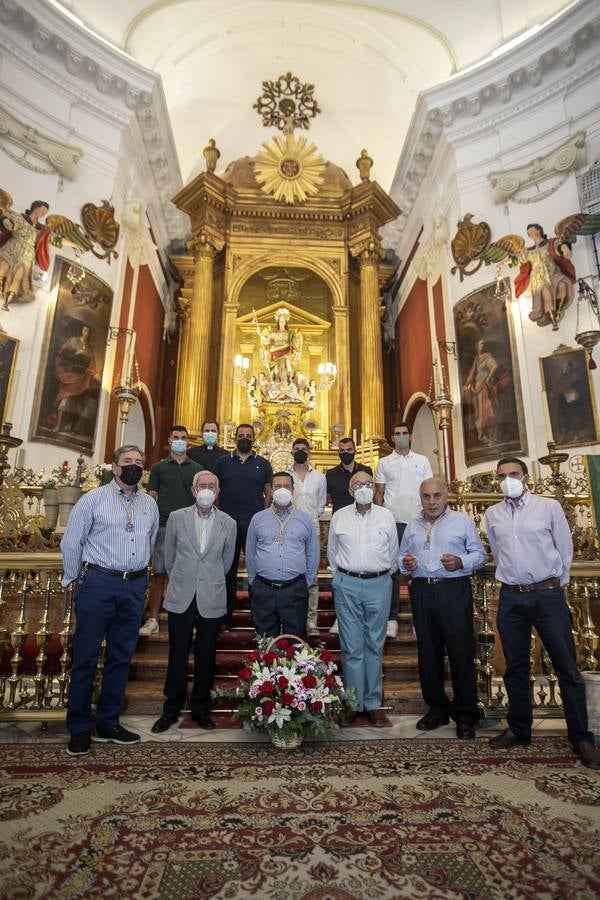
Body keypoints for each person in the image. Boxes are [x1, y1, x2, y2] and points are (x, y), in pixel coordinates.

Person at [484, 457, 600, 770]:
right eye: (502, 476)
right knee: (515, 666)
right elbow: (497, 550)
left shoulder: (548, 507)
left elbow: (565, 550)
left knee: (566, 666)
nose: (507, 479)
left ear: (526, 477)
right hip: (511, 597)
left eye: (513, 474)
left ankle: (581, 735)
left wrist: (552, 585)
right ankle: (520, 728)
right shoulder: (491, 514)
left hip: (547, 595)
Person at [60, 445, 159, 756]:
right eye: (127, 461)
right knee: (87, 657)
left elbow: (150, 541)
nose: (133, 466)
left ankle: (108, 722)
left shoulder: (149, 505)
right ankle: (78, 727)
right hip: (98, 584)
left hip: (133, 586)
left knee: (120, 657)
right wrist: (74, 581)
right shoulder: (93, 500)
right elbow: (72, 541)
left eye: (138, 463)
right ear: (114, 467)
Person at [399, 477, 487, 739]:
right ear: (421, 498)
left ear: (446, 496)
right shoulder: (413, 525)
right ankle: (437, 709)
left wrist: (460, 561)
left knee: (460, 652)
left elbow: (480, 555)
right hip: (422, 591)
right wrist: (407, 564)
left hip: (453, 591)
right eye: (427, 496)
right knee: (428, 652)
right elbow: (401, 557)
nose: (432, 501)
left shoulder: (462, 521)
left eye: (437, 495)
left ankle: (465, 715)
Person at [151, 471, 236, 734]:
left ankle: (201, 709)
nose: (206, 489)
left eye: (211, 486)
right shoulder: (177, 518)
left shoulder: (229, 523)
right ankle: (171, 709)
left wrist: (206, 578)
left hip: (211, 594)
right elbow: (170, 558)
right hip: (181, 594)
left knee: (206, 655)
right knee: (177, 654)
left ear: (218, 491)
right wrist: (187, 577)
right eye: (202, 485)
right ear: (193, 490)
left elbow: (226, 561)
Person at [328, 471, 399, 727]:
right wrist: (342, 579)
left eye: (368, 483)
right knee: (351, 646)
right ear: (350, 491)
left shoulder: (386, 516)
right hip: (347, 584)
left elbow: (393, 554)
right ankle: (352, 702)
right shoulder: (339, 517)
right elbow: (332, 553)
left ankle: (373, 704)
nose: (363, 488)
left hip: (379, 584)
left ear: (374, 488)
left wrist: (380, 575)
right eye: (357, 484)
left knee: (374, 644)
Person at [140, 426, 203, 636]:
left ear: (188, 442)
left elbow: (201, 499)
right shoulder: (159, 467)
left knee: (188, 573)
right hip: (163, 525)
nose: (180, 441)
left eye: (183, 438)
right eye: (176, 437)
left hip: (188, 527)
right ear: (169, 439)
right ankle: (153, 618)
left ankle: (189, 618)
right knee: (159, 573)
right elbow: (151, 496)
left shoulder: (196, 468)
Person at [374, 421, 433, 638]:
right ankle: (391, 618)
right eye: (397, 433)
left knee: (420, 569)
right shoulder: (384, 462)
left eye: (404, 433)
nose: (401, 436)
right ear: (392, 437)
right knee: (392, 570)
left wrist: (429, 518)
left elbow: (429, 490)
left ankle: (421, 618)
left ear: (410, 436)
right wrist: (379, 520)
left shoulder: (422, 460)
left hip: (418, 521)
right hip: (393, 521)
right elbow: (379, 493)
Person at [245, 471, 319, 639]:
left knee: (296, 642)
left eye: (287, 486)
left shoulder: (304, 519)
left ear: (293, 490)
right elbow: (250, 552)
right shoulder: (258, 519)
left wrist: (306, 581)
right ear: (270, 489)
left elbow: (312, 553)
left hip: (294, 589)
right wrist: (253, 581)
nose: (282, 490)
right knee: (264, 642)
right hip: (264, 588)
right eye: (278, 486)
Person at [214, 423, 273, 628]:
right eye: (241, 435)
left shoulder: (264, 464)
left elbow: (269, 492)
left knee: (255, 571)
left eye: (248, 435)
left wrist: (261, 516)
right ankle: (224, 617)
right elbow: (216, 491)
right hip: (227, 523)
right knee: (227, 570)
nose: (245, 438)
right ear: (235, 437)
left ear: (254, 438)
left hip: (253, 524)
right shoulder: (222, 462)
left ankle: (258, 618)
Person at [325, 437, 373, 635]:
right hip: (342, 525)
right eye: (342, 449)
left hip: (365, 522)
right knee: (341, 570)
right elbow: (327, 499)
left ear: (355, 450)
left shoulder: (365, 471)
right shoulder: (331, 474)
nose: (346, 452)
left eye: (349, 449)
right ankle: (340, 616)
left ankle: (369, 614)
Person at [288, 437, 326, 636]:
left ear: (309, 451)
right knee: (290, 573)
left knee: (311, 575)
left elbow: (320, 506)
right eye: (297, 448)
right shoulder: (286, 476)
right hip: (289, 529)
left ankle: (311, 621)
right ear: (292, 451)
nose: (300, 451)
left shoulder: (319, 477)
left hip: (312, 528)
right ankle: (290, 618)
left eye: (304, 448)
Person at [514, 223, 576, 329]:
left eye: (532, 230)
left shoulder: (550, 243)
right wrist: (502, 264)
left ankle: (559, 310)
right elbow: (517, 259)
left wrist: (565, 247)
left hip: (553, 273)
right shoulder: (529, 251)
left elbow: (559, 245)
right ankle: (553, 321)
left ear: (539, 231)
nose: (530, 233)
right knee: (547, 299)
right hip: (539, 278)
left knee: (562, 285)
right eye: (529, 232)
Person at [0, 200, 51, 308]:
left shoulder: (41, 229)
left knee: (18, 278)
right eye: (42, 210)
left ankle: (7, 303)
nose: (43, 213)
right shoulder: (20, 217)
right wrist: (6, 222)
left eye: (45, 212)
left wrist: (74, 245)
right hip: (13, 246)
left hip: (27, 254)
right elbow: (10, 222)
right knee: (2, 268)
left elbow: (55, 240)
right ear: (35, 207)